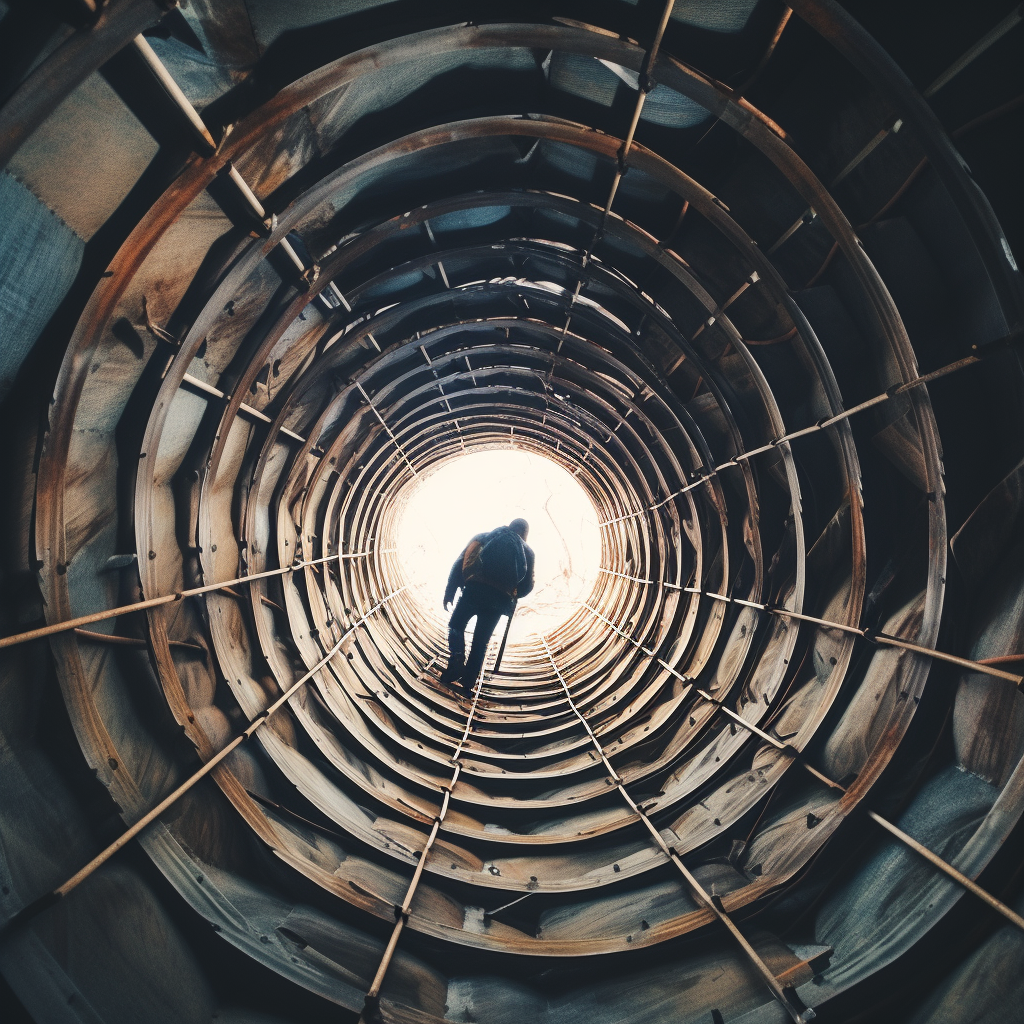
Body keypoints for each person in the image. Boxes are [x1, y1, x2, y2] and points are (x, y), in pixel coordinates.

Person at [440, 518, 535, 696]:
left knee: (456, 625)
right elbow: (527, 585)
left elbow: (460, 562)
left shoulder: (484, 536)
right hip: (499, 601)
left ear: (509, 525)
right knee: (480, 642)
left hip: (474, 590)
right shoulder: (528, 551)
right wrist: (511, 594)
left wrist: (450, 590)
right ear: (525, 534)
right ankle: (468, 684)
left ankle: (457, 657)